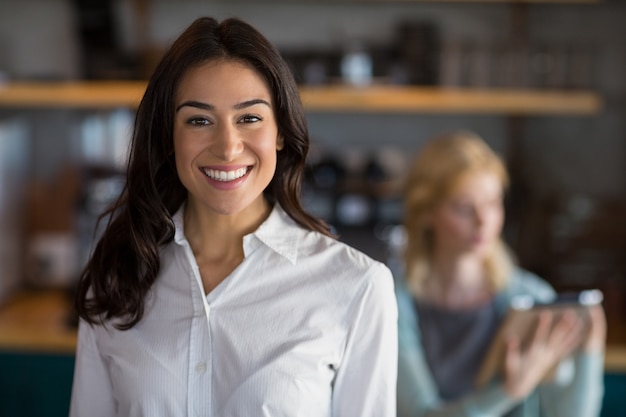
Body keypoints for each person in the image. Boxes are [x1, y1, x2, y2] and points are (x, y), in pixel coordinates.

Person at [69, 16, 398, 417]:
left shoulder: (357, 288)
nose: (227, 148)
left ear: (280, 131)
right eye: (199, 120)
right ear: (168, 137)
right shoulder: (115, 275)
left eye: (249, 118)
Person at [394, 131, 606, 417]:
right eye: (464, 208)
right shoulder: (396, 303)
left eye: (493, 204)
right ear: (427, 212)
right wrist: (509, 392)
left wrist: (589, 354)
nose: (483, 221)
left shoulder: (533, 299)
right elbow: (419, 414)